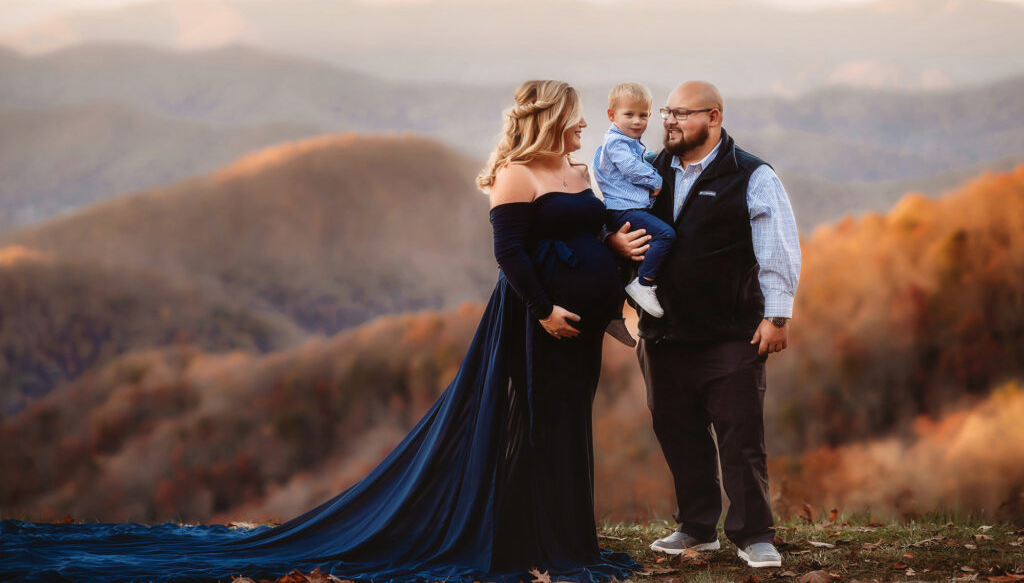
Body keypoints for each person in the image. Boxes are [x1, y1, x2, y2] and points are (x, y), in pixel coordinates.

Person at [0, 80, 644, 583]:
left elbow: (585, 234)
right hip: (535, 323)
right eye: (575, 114)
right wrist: (542, 311)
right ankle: (520, 537)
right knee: (528, 424)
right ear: (547, 117)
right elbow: (510, 256)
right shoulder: (517, 175)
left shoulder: (580, 171)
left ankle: (566, 538)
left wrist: (610, 248)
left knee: (568, 424)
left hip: (584, 328)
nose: (584, 123)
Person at [630, 80, 801, 569]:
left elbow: (778, 248)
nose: (669, 121)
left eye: (682, 114)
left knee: (740, 436)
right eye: (667, 112)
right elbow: (621, 221)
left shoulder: (751, 175)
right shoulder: (650, 170)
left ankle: (754, 535)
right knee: (676, 430)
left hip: (731, 333)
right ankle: (696, 528)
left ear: (714, 117)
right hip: (662, 334)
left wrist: (777, 315)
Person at [593, 82, 676, 318]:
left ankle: (625, 295)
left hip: (626, 208)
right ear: (612, 115)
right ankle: (644, 284)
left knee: (644, 246)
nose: (637, 121)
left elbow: (637, 158)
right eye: (629, 114)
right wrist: (656, 181)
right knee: (666, 235)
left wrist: (657, 157)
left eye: (643, 115)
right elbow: (630, 167)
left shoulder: (627, 142)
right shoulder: (616, 142)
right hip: (623, 209)